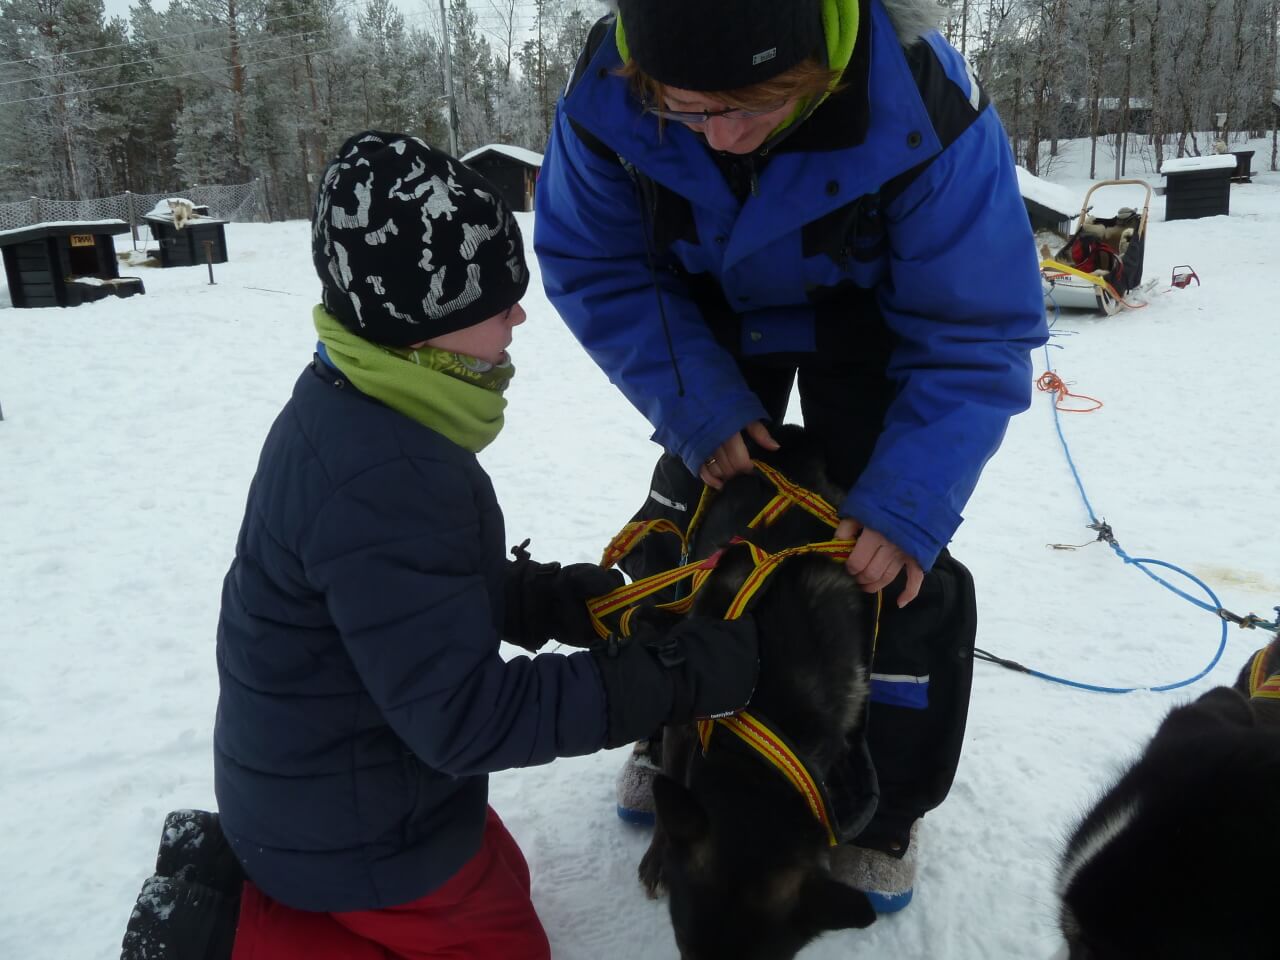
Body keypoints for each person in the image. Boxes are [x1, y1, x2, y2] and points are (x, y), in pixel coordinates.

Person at [119, 131, 759, 960]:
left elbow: (404, 595)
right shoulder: (389, 473)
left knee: (501, 875)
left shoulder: (352, 402)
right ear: (427, 323)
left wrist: (558, 602)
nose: (519, 316)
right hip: (347, 827)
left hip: (335, 779)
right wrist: (675, 678)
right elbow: (467, 720)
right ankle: (229, 934)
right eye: (497, 302)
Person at [533, 0, 1050, 913]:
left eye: (754, 105)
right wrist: (695, 404)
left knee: (883, 554)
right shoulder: (605, 97)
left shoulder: (925, 102)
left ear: (816, 65)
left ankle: (884, 800)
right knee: (695, 512)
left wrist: (910, 500)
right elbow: (597, 262)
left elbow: (974, 328)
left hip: (878, 311)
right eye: (688, 110)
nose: (722, 138)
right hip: (705, 305)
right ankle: (673, 720)